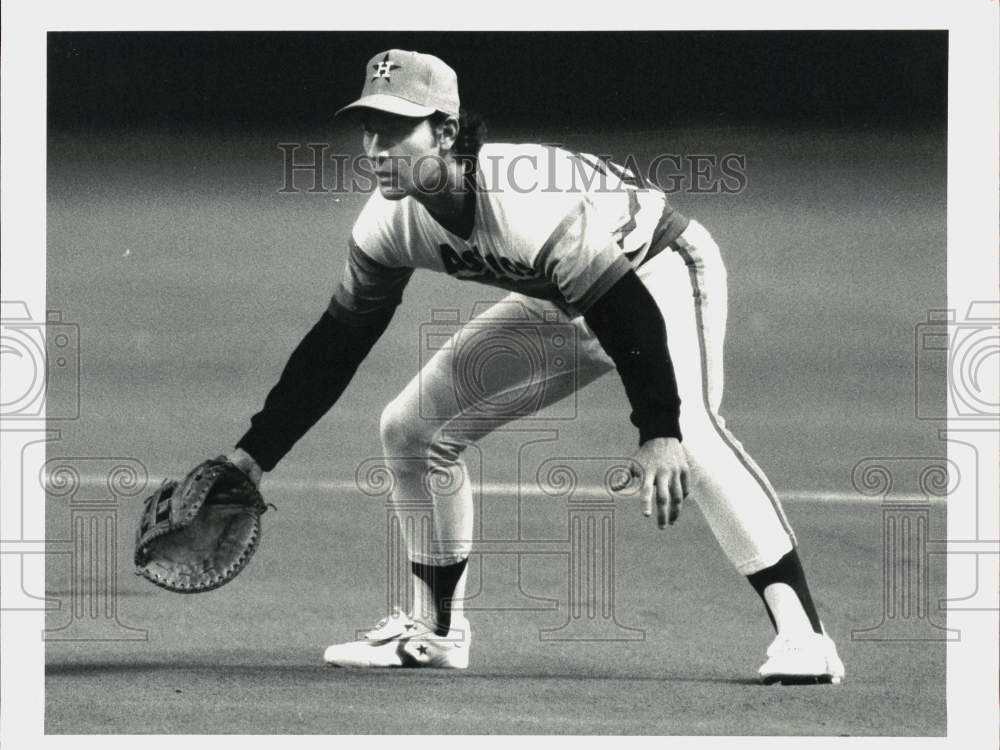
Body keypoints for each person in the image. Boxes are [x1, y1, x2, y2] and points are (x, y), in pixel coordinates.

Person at [227, 49, 844, 684]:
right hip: (567, 296)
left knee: (693, 435)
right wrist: (252, 457)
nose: (377, 147)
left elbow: (625, 309)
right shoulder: (388, 224)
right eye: (370, 127)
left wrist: (658, 428)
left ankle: (806, 639)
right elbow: (336, 345)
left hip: (656, 269)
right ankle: (436, 633)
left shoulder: (524, 201)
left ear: (444, 131)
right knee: (410, 429)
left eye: (396, 129)